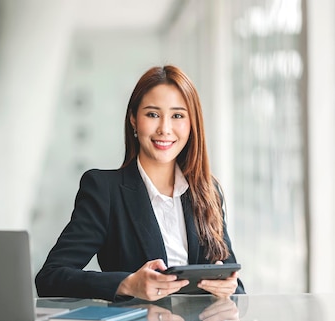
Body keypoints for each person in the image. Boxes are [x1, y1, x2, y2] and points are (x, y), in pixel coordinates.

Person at [35, 65, 245, 302]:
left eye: (177, 115)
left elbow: (235, 286)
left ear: (192, 124)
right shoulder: (105, 190)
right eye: (152, 114)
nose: (165, 129)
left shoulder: (207, 191)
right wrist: (127, 284)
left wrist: (228, 288)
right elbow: (50, 278)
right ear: (134, 119)